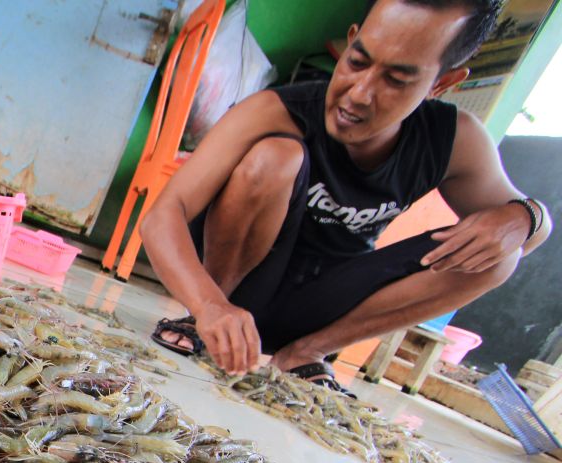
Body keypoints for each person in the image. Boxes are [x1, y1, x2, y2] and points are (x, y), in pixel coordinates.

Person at [140, 0, 552, 394]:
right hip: (232, 295)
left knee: (503, 252)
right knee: (275, 156)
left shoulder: (453, 139)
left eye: (396, 79)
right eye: (357, 61)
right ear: (350, 40)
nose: (358, 93)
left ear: (441, 84)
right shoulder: (274, 110)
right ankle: (202, 323)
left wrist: (524, 217)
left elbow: (533, 228)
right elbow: (163, 216)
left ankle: (306, 352)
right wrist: (209, 305)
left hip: (327, 304)